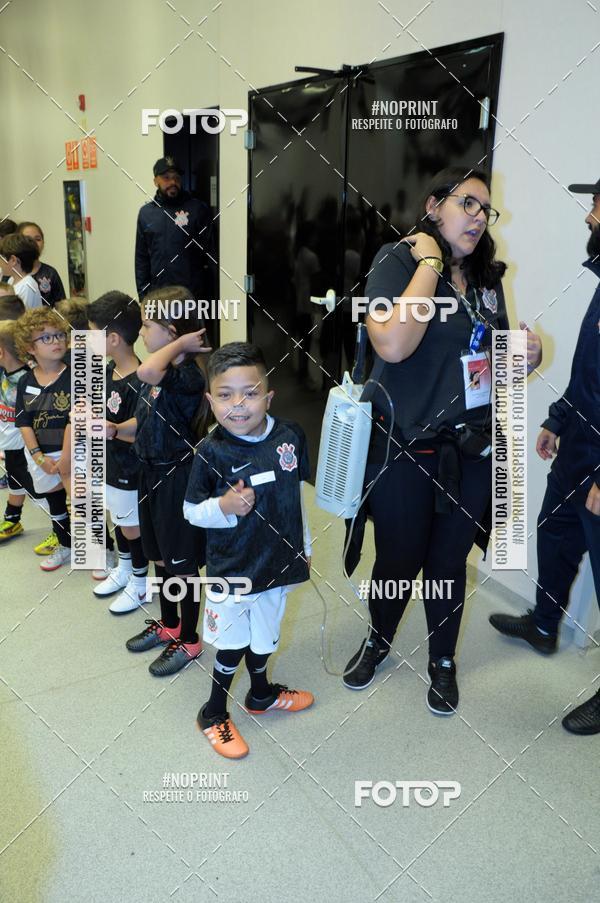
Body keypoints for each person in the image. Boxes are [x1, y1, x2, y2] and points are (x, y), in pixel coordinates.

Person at [342, 167, 542, 715]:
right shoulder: (397, 261)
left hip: (469, 451)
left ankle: (443, 661)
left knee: (449, 563)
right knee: (398, 560)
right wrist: (430, 261)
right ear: (435, 206)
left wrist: (526, 359)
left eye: (486, 210)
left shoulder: (485, 281)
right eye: (468, 204)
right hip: (403, 447)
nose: (479, 217)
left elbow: (489, 366)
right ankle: (378, 641)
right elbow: (394, 345)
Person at [489, 175, 600, 736]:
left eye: (598, 206)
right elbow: (594, 376)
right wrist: (560, 419)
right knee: (555, 534)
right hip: (580, 450)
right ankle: (543, 624)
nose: (589, 217)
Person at [184, 342, 314, 759]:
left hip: (278, 563)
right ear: (210, 399)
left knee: (265, 637)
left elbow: (295, 498)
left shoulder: (290, 435)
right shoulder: (211, 451)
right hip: (234, 570)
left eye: (251, 393)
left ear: (268, 396)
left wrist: (305, 545)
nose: (238, 405)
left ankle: (259, 695)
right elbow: (191, 512)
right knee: (233, 644)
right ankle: (213, 710)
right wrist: (222, 507)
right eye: (225, 395)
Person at [120, 286, 210, 675]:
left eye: (146, 325)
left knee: (182, 565)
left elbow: (147, 369)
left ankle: (189, 639)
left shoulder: (185, 375)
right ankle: (170, 624)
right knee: (159, 556)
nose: (140, 333)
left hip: (175, 477)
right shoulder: (159, 375)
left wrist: (181, 346)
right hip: (148, 472)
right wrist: (115, 429)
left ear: (172, 332)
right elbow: (145, 419)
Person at [87, 291, 149, 614]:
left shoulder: (141, 379)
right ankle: (124, 569)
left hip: (129, 468)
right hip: (108, 464)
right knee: (117, 519)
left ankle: (140, 584)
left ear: (112, 339)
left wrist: (110, 428)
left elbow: (140, 426)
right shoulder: (108, 370)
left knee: (131, 526)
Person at [14, 309, 72, 570]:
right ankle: (65, 544)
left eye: (59, 335)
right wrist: (38, 457)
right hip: (43, 456)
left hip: (73, 452)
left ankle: (103, 550)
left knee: (85, 503)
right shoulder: (25, 381)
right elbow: (24, 422)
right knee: (56, 503)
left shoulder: (75, 376)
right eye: (46, 338)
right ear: (30, 347)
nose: (56, 341)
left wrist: (67, 458)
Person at [134, 157, 215, 301]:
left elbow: (210, 255)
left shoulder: (197, 209)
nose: (172, 182)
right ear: (155, 181)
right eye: (166, 178)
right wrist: (143, 297)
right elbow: (141, 259)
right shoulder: (146, 213)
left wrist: (208, 298)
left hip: (190, 296)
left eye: (176, 178)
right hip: (158, 296)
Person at [0, 321, 38, 541]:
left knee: (39, 491)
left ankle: (61, 530)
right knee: (15, 481)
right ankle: (12, 519)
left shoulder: (28, 379)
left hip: (26, 445)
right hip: (10, 444)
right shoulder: (4, 372)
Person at [17, 222, 66, 307]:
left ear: (43, 243)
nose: (34, 244)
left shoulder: (50, 273)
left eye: (38, 239)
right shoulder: (10, 273)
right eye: (28, 239)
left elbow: (62, 308)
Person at [0, 234, 44, 309]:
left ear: (13, 260)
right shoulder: (12, 280)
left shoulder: (27, 286)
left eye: (1, 258)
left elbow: (20, 317)